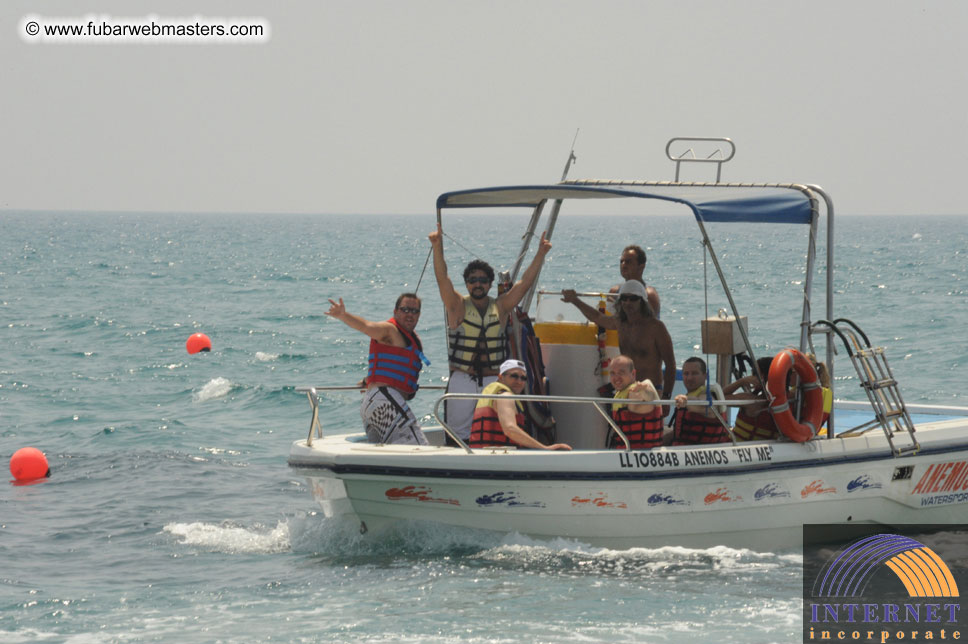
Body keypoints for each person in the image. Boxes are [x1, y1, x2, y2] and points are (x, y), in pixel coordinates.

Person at [428, 222, 552, 443]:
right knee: (458, 434)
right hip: (462, 379)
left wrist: (540, 254)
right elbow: (442, 279)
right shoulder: (456, 305)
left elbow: (524, 284)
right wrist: (437, 247)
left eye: (483, 280)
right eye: (473, 280)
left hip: (493, 379)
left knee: (497, 426)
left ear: (490, 284)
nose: (478, 284)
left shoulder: (502, 307)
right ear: (466, 284)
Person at [325, 293, 430, 445]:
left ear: (419, 315)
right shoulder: (389, 330)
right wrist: (344, 315)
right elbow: (367, 327)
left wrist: (368, 380)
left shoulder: (411, 338)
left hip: (372, 404)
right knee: (420, 449)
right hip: (385, 402)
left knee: (385, 454)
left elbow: (391, 367)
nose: (409, 314)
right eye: (405, 309)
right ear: (395, 312)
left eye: (414, 311)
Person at [562, 280, 676, 402]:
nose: (628, 302)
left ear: (642, 301)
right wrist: (575, 300)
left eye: (633, 298)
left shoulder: (656, 327)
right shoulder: (620, 323)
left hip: (651, 391)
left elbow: (670, 364)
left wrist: (666, 397)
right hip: (626, 390)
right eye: (624, 298)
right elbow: (597, 317)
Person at [468, 360, 572, 450]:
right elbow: (510, 429)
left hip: (481, 454)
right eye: (514, 376)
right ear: (500, 377)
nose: (519, 381)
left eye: (523, 378)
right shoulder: (505, 396)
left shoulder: (492, 395)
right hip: (499, 458)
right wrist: (544, 447)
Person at [606, 355, 664, 450]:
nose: (616, 377)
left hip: (641, 455)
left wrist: (643, 391)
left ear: (633, 374)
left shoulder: (635, 392)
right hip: (625, 454)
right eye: (612, 373)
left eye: (621, 373)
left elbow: (647, 397)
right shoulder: (621, 394)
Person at [671, 357, 731, 445]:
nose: (689, 378)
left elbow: (703, 405)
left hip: (702, 452)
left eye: (695, 373)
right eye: (686, 374)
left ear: (705, 376)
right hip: (680, 450)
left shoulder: (708, 396)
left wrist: (686, 400)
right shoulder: (690, 394)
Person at [723, 356, 779, 441]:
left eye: (754, 374)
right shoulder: (789, 401)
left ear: (762, 377)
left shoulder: (750, 401)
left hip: (737, 449)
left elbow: (718, 398)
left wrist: (741, 381)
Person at [608, 245, 661, 318]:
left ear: (641, 267)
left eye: (628, 262)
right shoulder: (614, 292)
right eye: (621, 261)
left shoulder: (649, 295)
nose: (623, 265)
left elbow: (651, 324)